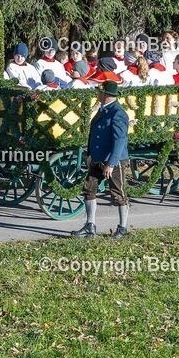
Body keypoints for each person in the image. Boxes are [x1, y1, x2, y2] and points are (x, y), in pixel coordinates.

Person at [71, 81, 131, 239]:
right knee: (89, 190)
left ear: (106, 95)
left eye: (100, 92)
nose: (97, 94)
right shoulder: (103, 109)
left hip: (113, 161)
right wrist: (90, 155)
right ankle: (90, 226)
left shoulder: (118, 113)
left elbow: (119, 141)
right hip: (97, 158)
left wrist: (111, 164)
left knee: (118, 193)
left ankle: (122, 228)